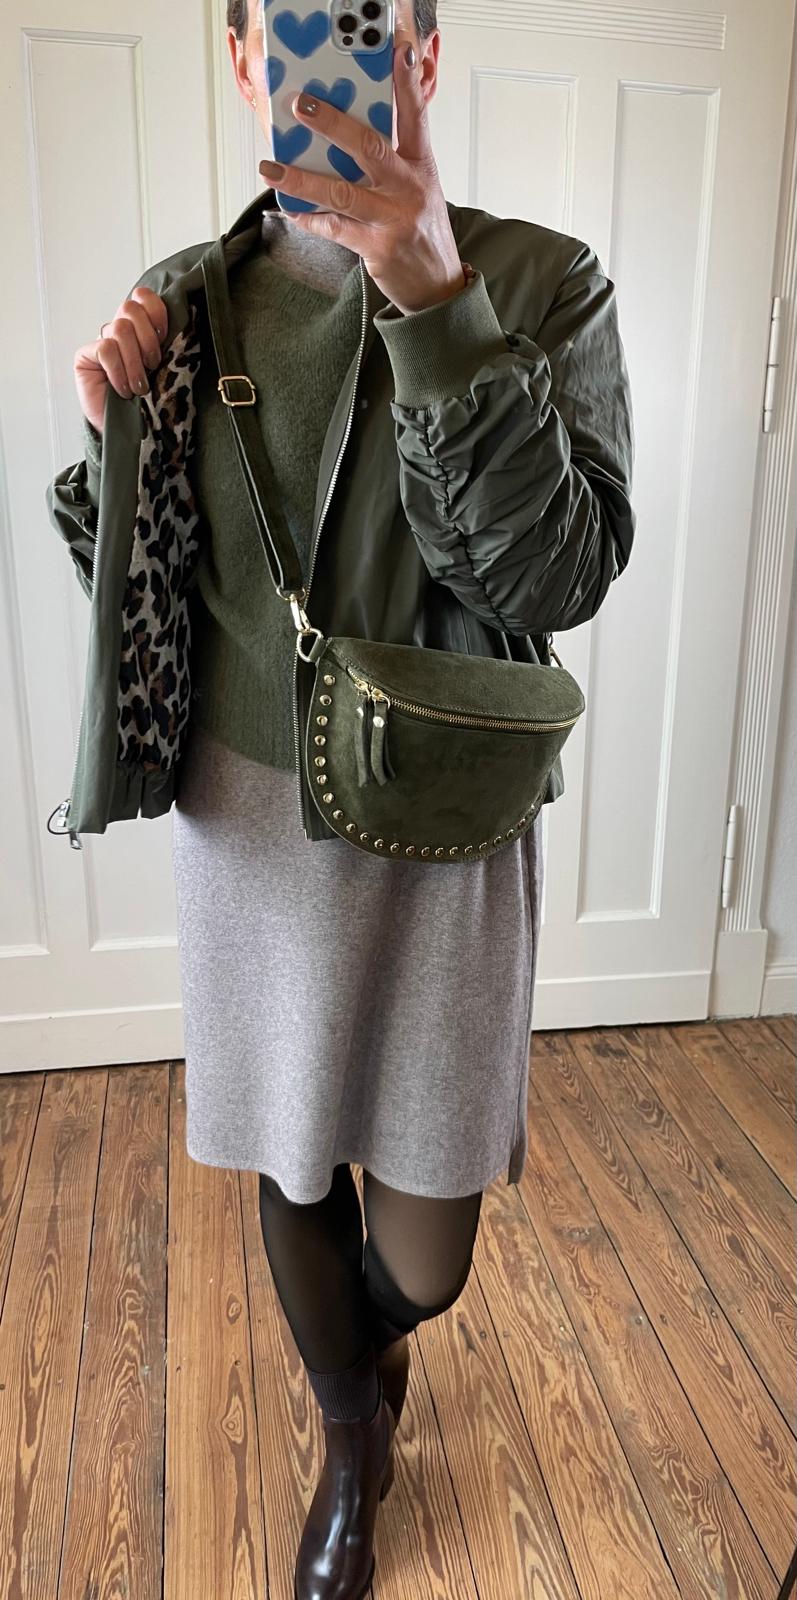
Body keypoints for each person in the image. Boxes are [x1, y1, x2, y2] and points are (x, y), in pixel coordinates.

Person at [46, 2, 636, 1594]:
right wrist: (112, 447)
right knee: (292, 1158)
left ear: (419, 56)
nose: (325, 51)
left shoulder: (542, 281)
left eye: (363, 18)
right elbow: (151, 590)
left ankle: (370, 1349)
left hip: (441, 814)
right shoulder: (190, 295)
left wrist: (433, 299)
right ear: (243, 58)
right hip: (248, 818)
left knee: (424, 1256)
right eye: (288, 23)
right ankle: (349, 1442)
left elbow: (553, 576)